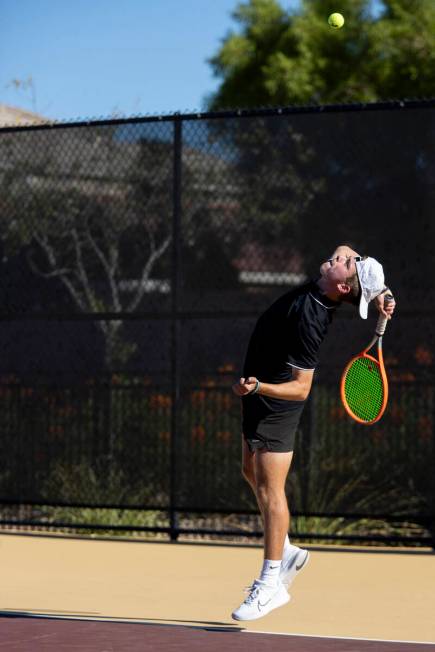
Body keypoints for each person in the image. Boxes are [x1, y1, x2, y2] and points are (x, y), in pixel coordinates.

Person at [231, 244, 396, 621]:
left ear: (343, 288)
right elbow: (345, 250)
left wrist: (258, 388)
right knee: (249, 472)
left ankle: (271, 584)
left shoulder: (311, 317)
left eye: (348, 264)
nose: (342, 256)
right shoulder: (330, 279)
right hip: (257, 389)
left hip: (276, 401)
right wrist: (382, 292)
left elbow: (301, 388)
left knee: (272, 492)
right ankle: (287, 551)